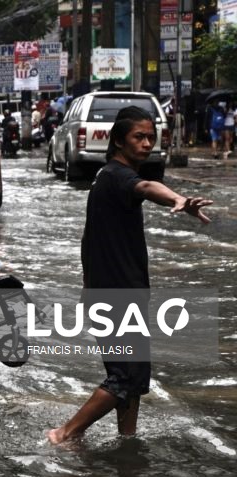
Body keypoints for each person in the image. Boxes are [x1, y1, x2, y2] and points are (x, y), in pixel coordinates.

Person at [48, 106, 212, 445]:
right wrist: (177, 199)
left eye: (151, 137)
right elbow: (148, 186)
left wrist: (87, 286)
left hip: (112, 293)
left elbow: (87, 238)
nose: (147, 143)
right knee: (126, 376)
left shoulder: (105, 179)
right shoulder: (118, 176)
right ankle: (64, 435)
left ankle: (128, 439)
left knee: (131, 377)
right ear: (119, 141)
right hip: (119, 296)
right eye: (139, 137)